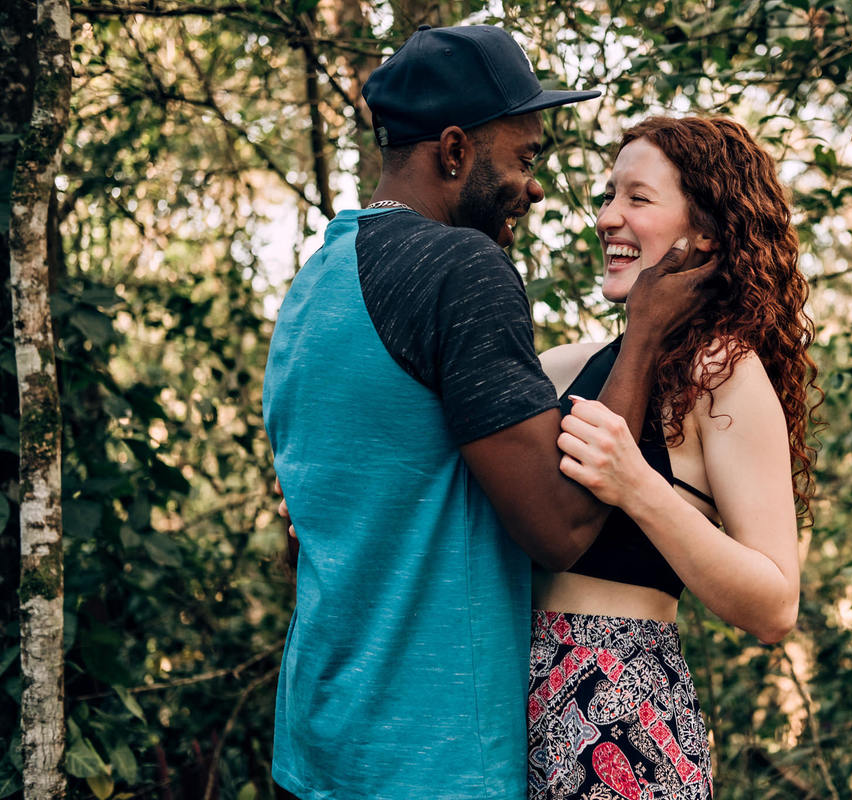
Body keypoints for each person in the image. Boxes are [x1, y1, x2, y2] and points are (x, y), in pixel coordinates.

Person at [262, 26, 715, 800]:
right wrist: (642, 335)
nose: (534, 188)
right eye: (524, 158)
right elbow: (561, 529)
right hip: (427, 760)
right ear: (454, 151)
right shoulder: (460, 266)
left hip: (316, 747)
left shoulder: (317, 280)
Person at [527, 116, 818, 799]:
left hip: (625, 722)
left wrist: (637, 485)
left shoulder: (723, 374)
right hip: (502, 706)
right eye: (608, 196)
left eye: (638, 198)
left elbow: (775, 605)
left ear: (706, 233)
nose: (607, 217)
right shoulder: (560, 367)